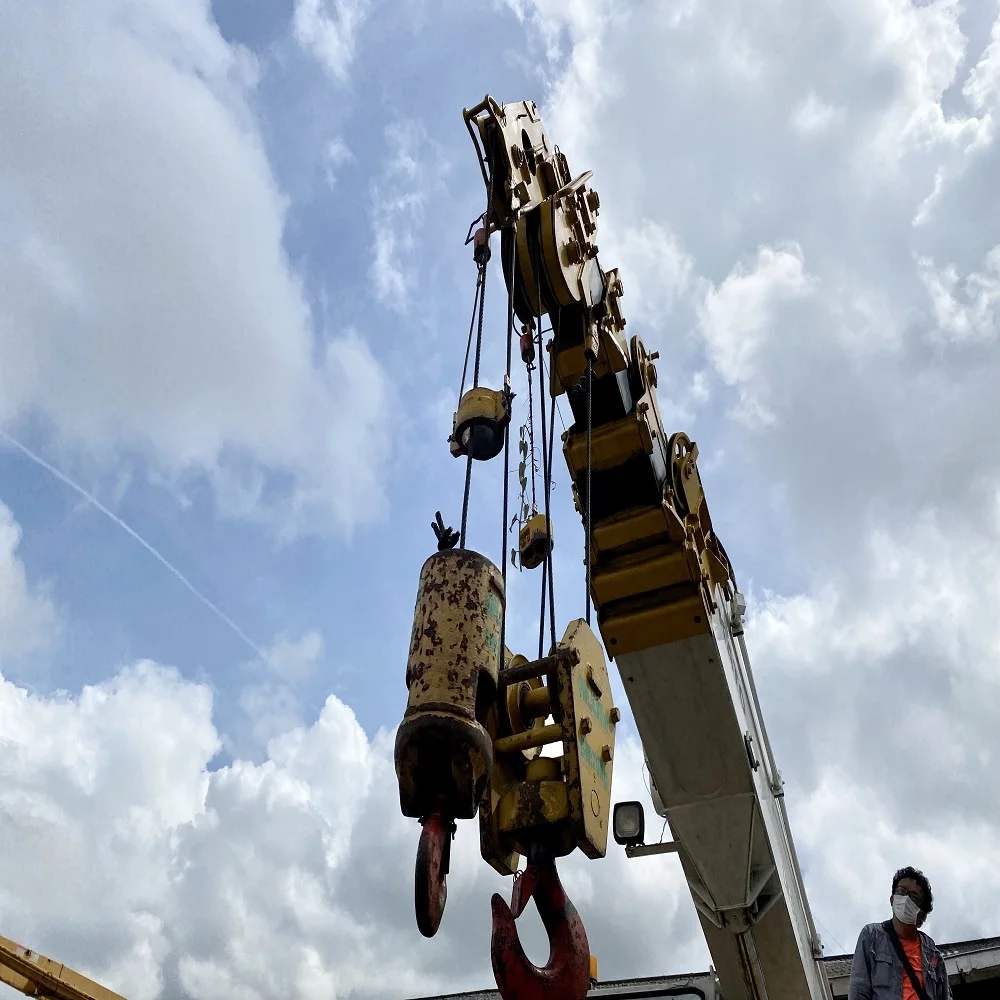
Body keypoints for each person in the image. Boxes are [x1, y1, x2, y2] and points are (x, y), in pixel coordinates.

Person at [848, 866, 952, 1000]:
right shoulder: (871, 936)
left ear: (921, 914)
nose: (906, 898)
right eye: (902, 891)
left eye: (914, 897)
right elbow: (858, 991)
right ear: (892, 899)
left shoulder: (932, 953)